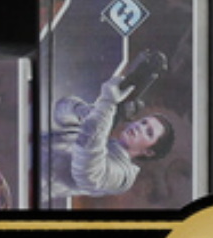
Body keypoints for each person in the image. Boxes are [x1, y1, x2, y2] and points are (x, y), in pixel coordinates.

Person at [43, 52, 179, 202]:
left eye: (149, 132)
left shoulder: (123, 176)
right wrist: (88, 112)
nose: (140, 127)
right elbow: (60, 112)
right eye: (143, 122)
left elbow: (86, 170)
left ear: (148, 152)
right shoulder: (102, 131)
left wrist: (107, 104)